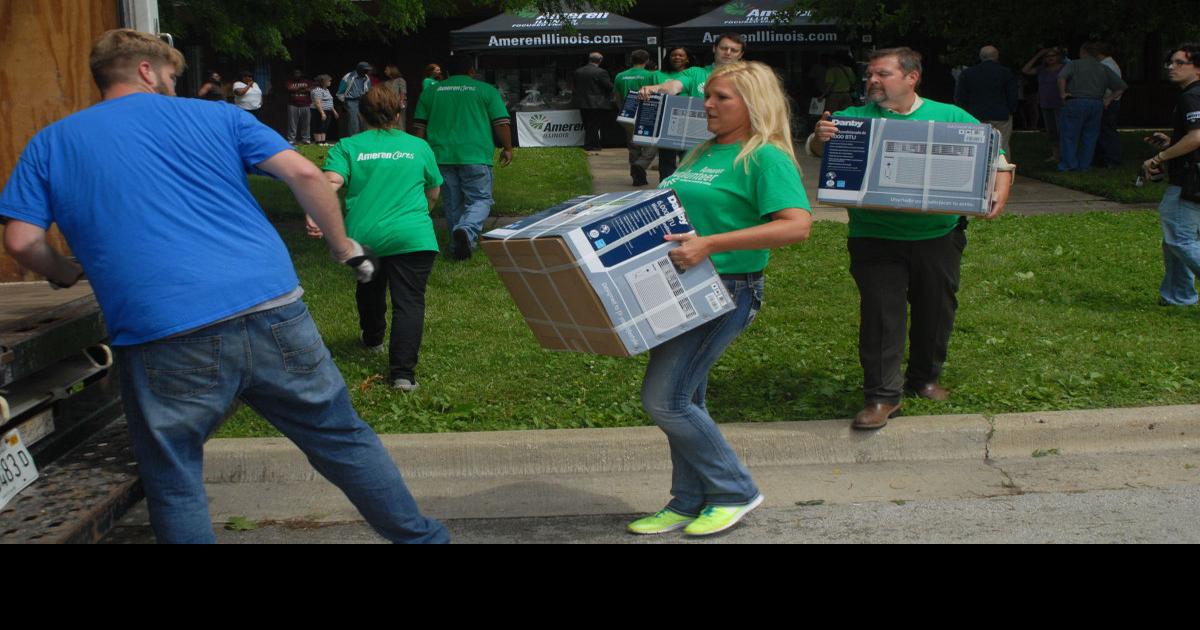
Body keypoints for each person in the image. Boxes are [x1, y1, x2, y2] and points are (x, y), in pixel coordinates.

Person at [0, 29, 449, 544]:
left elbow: (21, 240)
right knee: (342, 439)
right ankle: (423, 540)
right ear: (146, 71)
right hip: (273, 310)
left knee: (175, 473)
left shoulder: (52, 142)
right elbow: (305, 175)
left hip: (161, 329)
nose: (174, 85)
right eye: (171, 76)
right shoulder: (221, 117)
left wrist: (61, 272)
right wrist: (341, 245)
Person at [626, 61, 812, 538]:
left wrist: (710, 243)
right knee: (686, 399)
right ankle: (688, 500)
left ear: (753, 104)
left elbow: (797, 225)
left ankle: (734, 490)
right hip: (681, 288)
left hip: (728, 288)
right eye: (707, 95)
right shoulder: (703, 150)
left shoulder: (764, 157)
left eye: (721, 98)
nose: (707, 104)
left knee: (665, 400)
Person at [809, 47, 1015, 431]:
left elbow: (996, 154)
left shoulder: (950, 115)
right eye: (869, 74)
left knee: (935, 309)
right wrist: (821, 138)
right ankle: (883, 396)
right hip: (874, 236)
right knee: (881, 315)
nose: (872, 81)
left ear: (911, 77)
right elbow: (818, 149)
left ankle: (925, 378)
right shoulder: (852, 119)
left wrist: (1002, 184)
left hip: (937, 235)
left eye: (882, 74)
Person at [305, 87, 442, 392]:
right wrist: (423, 212)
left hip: (365, 237)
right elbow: (433, 192)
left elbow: (332, 181)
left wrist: (315, 211)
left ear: (361, 115)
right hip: (414, 235)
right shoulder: (419, 147)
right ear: (398, 113)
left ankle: (372, 339)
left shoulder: (348, 147)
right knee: (409, 303)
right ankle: (403, 375)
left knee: (369, 286)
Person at [411, 55, 513, 261]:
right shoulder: (486, 90)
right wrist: (508, 148)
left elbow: (419, 127)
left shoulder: (430, 92)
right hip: (475, 154)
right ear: (472, 72)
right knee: (480, 199)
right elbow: (501, 123)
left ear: (446, 73)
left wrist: (418, 154)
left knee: (452, 201)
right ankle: (466, 231)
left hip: (440, 155)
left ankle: (458, 246)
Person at [640, 37, 747, 182]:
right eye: (724, 48)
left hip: (736, 143)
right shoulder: (696, 73)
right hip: (699, 144)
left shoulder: (749, 78)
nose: (728, 53)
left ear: (740, 54)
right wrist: (655, 88)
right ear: (714, 48)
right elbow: (674, 86)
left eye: (733, 50)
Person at [1143, 43, 1200, 307]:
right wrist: (1170, 143)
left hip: (1189, 180)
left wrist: (1159, 158)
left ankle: (1179, 295)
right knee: (1174, 240)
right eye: (1170, 62)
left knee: (1180, 239)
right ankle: (1178, 296)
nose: (1170, 67)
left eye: (1180, 63)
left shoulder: (1191, 96)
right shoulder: (1192, 95)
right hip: (1191, 175)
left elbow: (1197, 137)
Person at [1057, 42, 1126, 172]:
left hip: (1076, 101)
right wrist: (1108, 99)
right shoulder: (1103, 67)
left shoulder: (1075, 64)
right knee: (1090, 136)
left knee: (1070, 135)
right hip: (1096, 103)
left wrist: (1062, 94)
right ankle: (1084, 165)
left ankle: (1069, 164)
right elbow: (1121, 86)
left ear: (1083, 51)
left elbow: (1061, 77)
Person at [955, 45, 1018, 156]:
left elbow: (960, 96)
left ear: (980, 56)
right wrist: (1011, 109)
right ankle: (1002, 171)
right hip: (1001, 114)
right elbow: (1012, 94)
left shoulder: (968, 73)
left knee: (978, 145)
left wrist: (963, 113)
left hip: (976, 114)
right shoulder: (1005, 72)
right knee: (1002, 144)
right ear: (997, 56)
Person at [614, 49, 657, 186]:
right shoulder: (651, 75)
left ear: (631, 60)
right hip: (647, 112)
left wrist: (622, 110)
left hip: (627, 112)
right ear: (647, 60)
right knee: (654, 142)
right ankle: (641, 164)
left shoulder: (620, 76)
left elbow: (617, 97)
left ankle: (638, 177)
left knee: (633, 146)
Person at [1023, 47, 1068, 163]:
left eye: (1053, 55)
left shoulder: (1064, 68)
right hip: (1045, 103)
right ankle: (1056, 154)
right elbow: (1026, 70)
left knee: (1062, 130)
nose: (1050, 58)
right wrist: (1038, 55)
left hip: (1060, 103)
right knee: (1051, 130)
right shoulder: (1042, 69)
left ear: (1059, 56)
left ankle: (1066, 154)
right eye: (1047, 56)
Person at [572, 52, 614, 154]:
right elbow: (609, 87)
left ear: (589, 59)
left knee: (588, 124)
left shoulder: (578, 71)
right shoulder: (601, 72)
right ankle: (591, 145)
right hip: (597, 103)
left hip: (583, 102)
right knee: (594, 125)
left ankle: (593, 144)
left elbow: (575, 86)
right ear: (600, 60)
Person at [1093, 42, 1124, 168]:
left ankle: (1112, 159)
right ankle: (1104, 158)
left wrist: (1108, 99)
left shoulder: (1107, 65)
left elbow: (1116, 86)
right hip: (1108, 101)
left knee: (1108, 131)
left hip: (1109, 101)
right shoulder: (1107, 64)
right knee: (1104, 131)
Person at [337, 61, 374, 136]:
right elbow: (340, 91)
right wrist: (344, 101)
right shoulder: (348, 77)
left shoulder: (367, 78)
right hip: (351, 101)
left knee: (363, 121)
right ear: (359, 69)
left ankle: (362, 139)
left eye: (367, 70)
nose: (367, 71)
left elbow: (369, 90)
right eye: (365, 70)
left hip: (362, 101)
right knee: (354, 121)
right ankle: (354, 139)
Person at [285, 68, 313, 145]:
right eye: (295, 73)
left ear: (301, 73)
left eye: (298, 73)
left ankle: (306, 139)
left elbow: (310, 89)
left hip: (306, 104)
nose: (297, 74)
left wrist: (296, 89)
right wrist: (303, 89)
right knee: (292, 123)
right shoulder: (290, 81)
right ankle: (291, 139)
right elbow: (289, 88)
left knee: (306, 123)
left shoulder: (307, 81)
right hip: (292, 104)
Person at [310, 73, 338, 146]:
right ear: (323, 82)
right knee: (318, 126)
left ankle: (323, 141)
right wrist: (322, 112)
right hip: (318, 111)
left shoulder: (326, 90)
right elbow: (317, 102)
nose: (330, 82)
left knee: (324, 126)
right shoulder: (317, 90)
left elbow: (329, 101)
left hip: (328, 110)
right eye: (328, 81)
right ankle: (318, 142)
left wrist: (334, 111)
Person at [382, 64, 408, 131]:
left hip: (399, 103)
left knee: (400, 121)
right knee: (390, 121)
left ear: (392, 70)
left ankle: (401, 137)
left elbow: (403, 92)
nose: (385, 71)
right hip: (390, 104)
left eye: (386, 69)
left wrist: (401, 102)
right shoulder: (386, 83)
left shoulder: (400, 80)